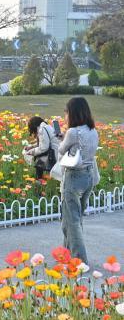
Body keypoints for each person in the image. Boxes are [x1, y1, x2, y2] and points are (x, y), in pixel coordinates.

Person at [59, 97, 98, 264]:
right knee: (73, 218)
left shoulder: (72, 132)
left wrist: (62, 139)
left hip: (74, 178)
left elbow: (61, 150)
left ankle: (80, 261)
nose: (65, 115)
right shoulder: (92, 130)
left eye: (66, 112)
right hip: (89, 176)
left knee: (72, 221)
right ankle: (65, 255)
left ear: (73, 113)